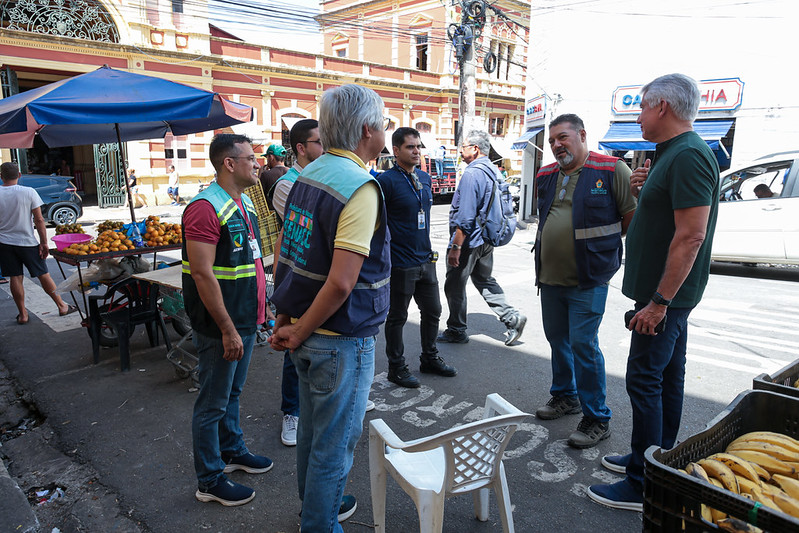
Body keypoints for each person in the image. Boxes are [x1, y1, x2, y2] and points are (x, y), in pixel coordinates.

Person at [586, 73, 720, 511]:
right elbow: (667, 219)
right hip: (665, 295)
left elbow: (691, 236)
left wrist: (659, 302)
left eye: (642, 107)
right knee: (666, 376)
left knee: (645, 379)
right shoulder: (672, 153)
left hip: (665, 298)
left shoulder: (688, 155)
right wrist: (644, 192)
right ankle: (657, 459)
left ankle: (643, 482)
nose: (638, 117)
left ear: (662, 106)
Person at [269, 83, 390, 532]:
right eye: (383, 123)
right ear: (367, 129)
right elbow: (341, 283)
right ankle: (320, 523)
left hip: (305, 329)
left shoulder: (310, 173)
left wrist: (286, 320)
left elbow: (289, 253)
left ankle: (315, 509)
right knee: (334, 447)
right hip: (339, 339)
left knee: (313, 436)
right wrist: (296, 331)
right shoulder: (360, 185)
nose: (385, 130)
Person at [533, 114, 636, 449]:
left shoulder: (611, 169)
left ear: (581, 135)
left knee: (583, 345)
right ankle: (566, 396)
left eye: (562, 137)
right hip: (550, 277)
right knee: (558, 340)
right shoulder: (546, 174)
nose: (556, 145)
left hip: (589, 279)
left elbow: (630, 217)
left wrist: (600, 249)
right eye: (552, 141)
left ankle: (597, 418)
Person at [182, 134, 274, 506]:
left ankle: (232, 450)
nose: (258, 164)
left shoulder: (244, 202)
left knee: (231, 394)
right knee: (212, 403)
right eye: (251, 158)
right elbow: (202, 273)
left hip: (246, 318)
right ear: (229, 164)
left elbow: (250, 262)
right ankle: (209, 479)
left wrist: (264, 307)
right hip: (222, 326)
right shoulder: (205, 208)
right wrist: (226, 328)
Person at [377, 127, 457, 389]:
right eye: (410, 147)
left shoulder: (424, 177)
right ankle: (396, 367)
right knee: (397, 316)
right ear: (396, 150)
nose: (416, 151)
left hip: (425, 258)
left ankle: (429, 358)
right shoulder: (386, 181)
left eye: (418, 146)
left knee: (433, 310)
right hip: (401, 262)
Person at [437, 130, 527, 346]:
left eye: (464, 147)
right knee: (484, 280)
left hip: (469, 241)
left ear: (475, 149)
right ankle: (512, 317)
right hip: (487, 238)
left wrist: (456, 247)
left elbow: (466, 216)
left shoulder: (472, 173)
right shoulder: (493, 170)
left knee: (455, 284)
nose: (460, 151)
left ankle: (456, 329)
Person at [269, 118, 325, 448]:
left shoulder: (322, 177)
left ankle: (323, 399)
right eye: (319, 142)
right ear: (301, 148)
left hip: (319, 275)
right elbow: (311, 228)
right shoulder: (287, 185)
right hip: (297, 275)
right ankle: (291, 412)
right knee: (295, 345)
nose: (325, 147)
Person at [0, 162, 77, 324]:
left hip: (5, 243)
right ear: (19, 175)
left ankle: (23, 314)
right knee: (43, 274)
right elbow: (39, 220)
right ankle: (62, 306)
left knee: (15, 277)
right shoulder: (29, 192)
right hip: (27, 242)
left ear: (1, 176)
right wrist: (44, 243)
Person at [259, 144, 289, 209]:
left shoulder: (266, 174)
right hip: (289, 213)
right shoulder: (292, 173)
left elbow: (258, 196)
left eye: (267, 157)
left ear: (271, 157)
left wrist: (260, 175)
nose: (267, 160)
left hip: (271, 214)